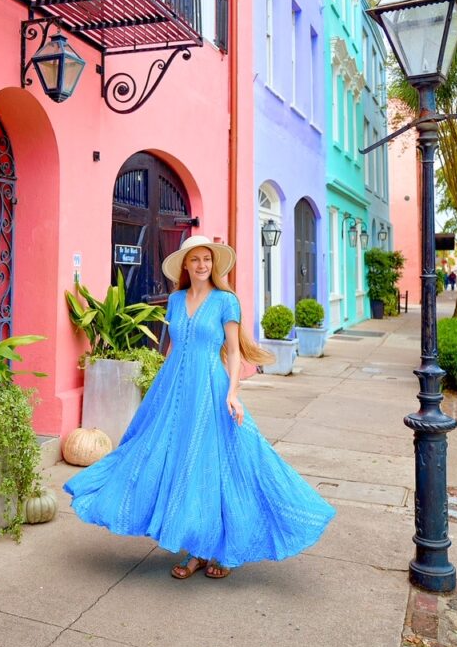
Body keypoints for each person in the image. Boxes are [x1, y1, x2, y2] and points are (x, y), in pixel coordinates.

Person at [63, 235, 336, 579]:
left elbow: (234, 353)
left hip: (210, 388)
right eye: (196, 259)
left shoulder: (226, 301)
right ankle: (197, 546)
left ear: (214, 264)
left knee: (213, 464)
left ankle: (209, 550)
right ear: (185, 265)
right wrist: (159, 389)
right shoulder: (175, 301)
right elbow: (173, 348)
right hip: (174, 388)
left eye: (207, 259)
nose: (202, 264)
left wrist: (233, 393)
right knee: (163, 456)